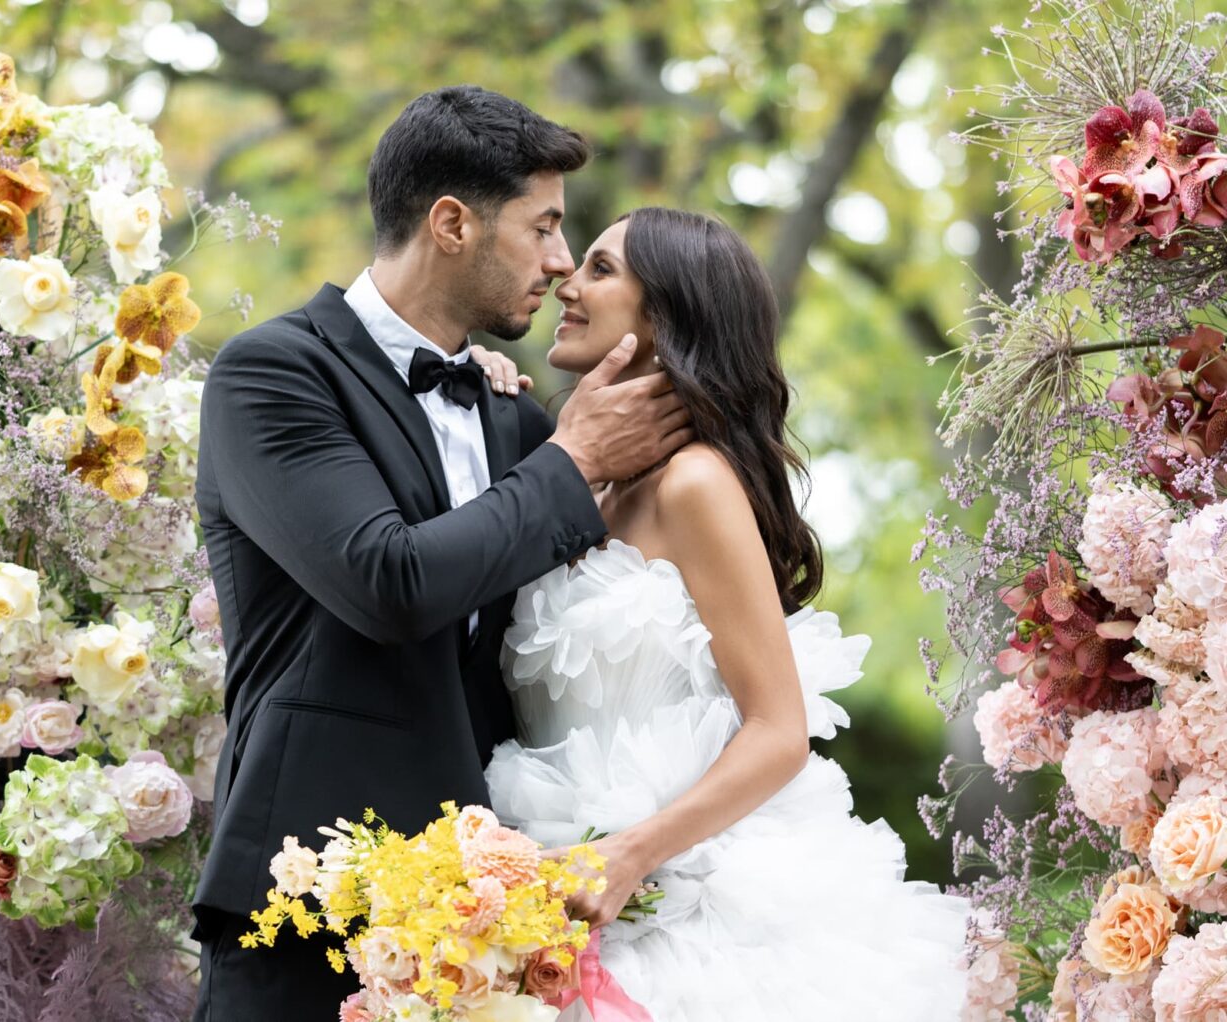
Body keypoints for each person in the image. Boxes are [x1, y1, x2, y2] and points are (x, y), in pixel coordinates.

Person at [190, 89, 692, 1021]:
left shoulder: (517, 418)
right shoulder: (269, 373)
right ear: (452, 223)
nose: (557, 263)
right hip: (306, 895)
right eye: (543, 227)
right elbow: (388, 582)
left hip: (487, 921)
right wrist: (573, 461)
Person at [483, 207, 971, 1021]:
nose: (568, 280)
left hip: (699, 904)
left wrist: (630, 855)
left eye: (602, 269)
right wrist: (489, 389)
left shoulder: (694, 484)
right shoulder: (578, 481)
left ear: (665, 316)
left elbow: (778, 729)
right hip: (555, 882)